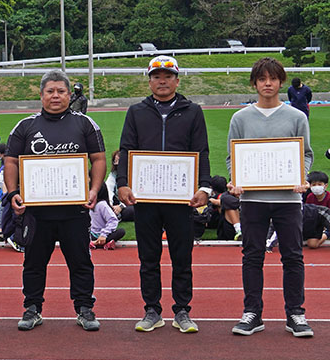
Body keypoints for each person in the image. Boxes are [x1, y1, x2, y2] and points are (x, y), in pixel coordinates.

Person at [3, 70, 106, 332]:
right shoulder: (25, 126)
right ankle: (32, 308)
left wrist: (94, 190)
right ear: (41, 95)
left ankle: (84, 308)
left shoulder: (85, 124)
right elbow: (11, 161)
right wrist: (13, 192)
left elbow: (98, 159)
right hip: (37, 213)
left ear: (70, 95)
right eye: (50, 91)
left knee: (81, 262)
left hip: (75, 210)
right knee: (33, 263)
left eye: (61, 91)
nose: (56, 96)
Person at [117, 56, 211, 333]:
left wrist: (204, 186)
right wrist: (122, 183)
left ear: (177, 80)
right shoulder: (136, 111)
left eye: (167, 77)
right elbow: (126, 149)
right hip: (146, 197)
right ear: (149, 80)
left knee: (182, 255)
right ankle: (152, 309)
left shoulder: (193, 111)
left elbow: (201, 151)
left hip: (179, 198)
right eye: (156, 76)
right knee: (148, 256)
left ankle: (182, 310)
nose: (162, 81)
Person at [226, 57, 314, 337]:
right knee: (252, 256)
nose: (267, 84)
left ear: (281, 82)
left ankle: (295, 313)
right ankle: (252, 312)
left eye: (273, 79)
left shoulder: (296, 117)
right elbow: (232, 157)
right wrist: (236, 181)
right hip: (253, 200)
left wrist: (302, 177)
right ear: (254, 82)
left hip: (288, 199)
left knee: (293, 256)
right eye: (262, 79)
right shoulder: (240, 118)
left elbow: (307, 155)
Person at [90, 183, 126, 250]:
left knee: (121, 231)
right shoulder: (88, 204)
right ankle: (105, 243)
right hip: (92, 233)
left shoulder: (102, 205)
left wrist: (104, 234)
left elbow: (113, 220)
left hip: (104, 235)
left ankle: (95, 243)